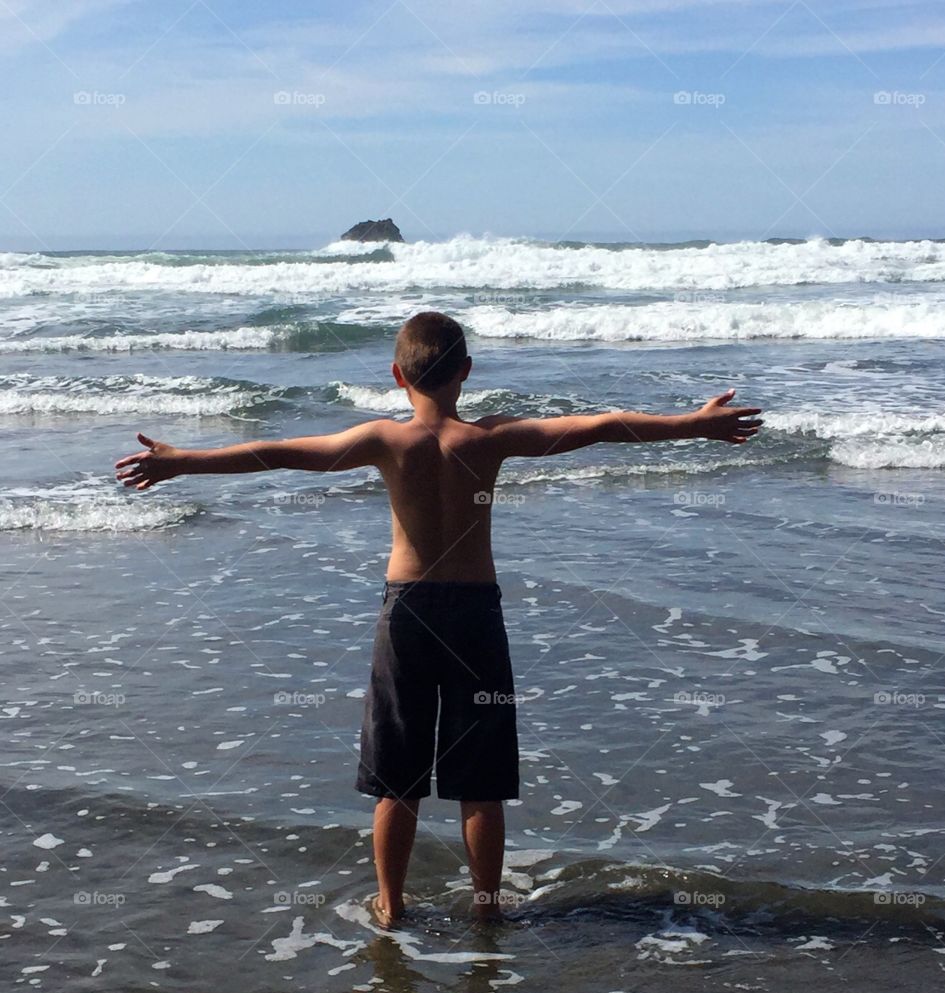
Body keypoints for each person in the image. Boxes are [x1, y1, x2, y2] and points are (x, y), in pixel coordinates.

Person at [115, 311, 762, 927]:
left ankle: (392, 906)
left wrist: (181, 462)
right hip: (476, 616)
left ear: (398, 377)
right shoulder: (492, 438)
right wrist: (691, 425)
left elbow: (280, 452)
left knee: (397, 780)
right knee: (481, 780)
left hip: (409, 615)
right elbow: (602, 425)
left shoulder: (384, 440)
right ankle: (487, 906)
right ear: (467, 372)